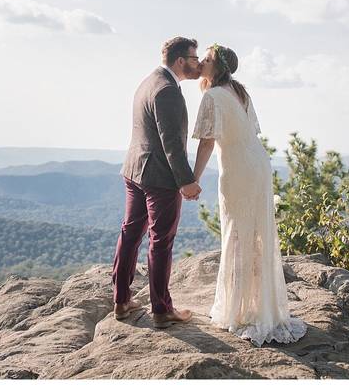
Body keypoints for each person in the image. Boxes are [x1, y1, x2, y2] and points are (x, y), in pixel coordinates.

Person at [191, 43, 307, 346]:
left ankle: (240, 309)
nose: (202, 61)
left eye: (207, 58)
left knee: (238, 232)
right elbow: (250, 131)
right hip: (257, 162)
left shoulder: (213, 96)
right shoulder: (239, 92)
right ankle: (257, 305)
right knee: (254, 232)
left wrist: (193, 178)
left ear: (217, 67)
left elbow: (206, 142)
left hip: (239, 168)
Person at [111, 36, 203, 329]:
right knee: (160, 241)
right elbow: (172, 143)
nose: (198, 63)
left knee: (130, 233)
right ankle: (161, 310)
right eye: (193, 58)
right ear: (180, 61)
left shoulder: (148, 81)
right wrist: (186, 181)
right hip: (159, 178)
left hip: (134, 170)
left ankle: (121, 300)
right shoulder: (167, 91)